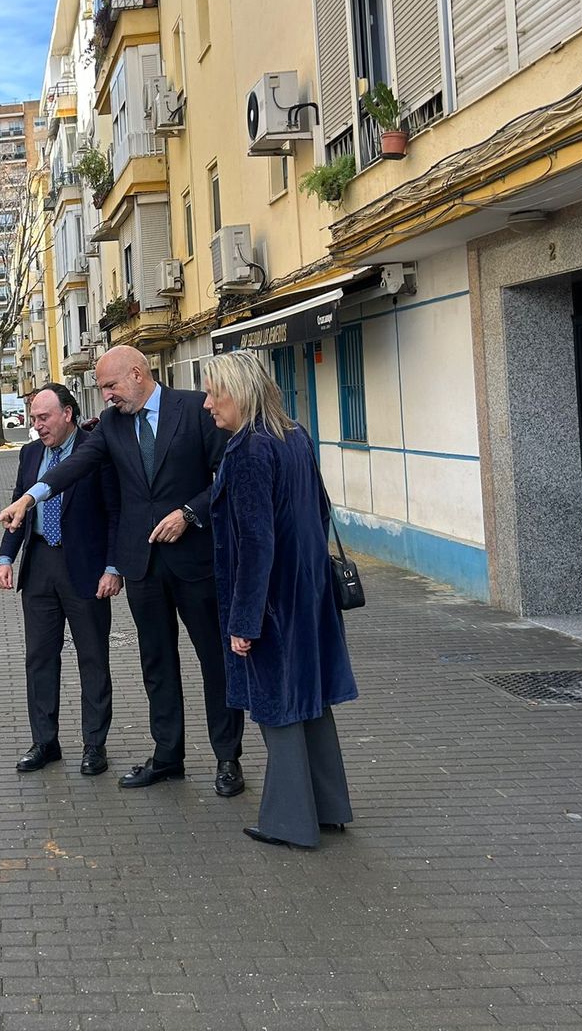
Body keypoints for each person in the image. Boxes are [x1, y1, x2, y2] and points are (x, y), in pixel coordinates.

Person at [0, 346, 245, 798]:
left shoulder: (195, 409)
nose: (105, 396)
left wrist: (189, 512)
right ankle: (168, 755)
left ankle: (228, 759)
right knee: (157, 663)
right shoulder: (110, 424)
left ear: (137, 374)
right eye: (102, 388)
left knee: (214, 662)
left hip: (194, 562)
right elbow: (76, 465)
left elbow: (226, 474)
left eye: (110, 386)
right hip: (142, 565)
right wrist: (30, 498)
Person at [201, 350, 358, 849]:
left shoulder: (248, 450)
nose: (207, 404)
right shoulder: (294, 436)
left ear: (240, 392)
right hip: (308, 592)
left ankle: (290, 821)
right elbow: (321, 510)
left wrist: (244, 621)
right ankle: (328, 807)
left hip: (271, 601)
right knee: (311, 701)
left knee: (277, 707)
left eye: (213, 392)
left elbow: (256, 542)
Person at [0, 385, 124, 776]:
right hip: (39, 569)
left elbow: (116, 512)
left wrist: (113, 567)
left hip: (84, 569)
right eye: (33, 418)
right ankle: (45, 742)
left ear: (68, 413)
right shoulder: (30, 453)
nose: (37, 426)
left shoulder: (96, 450)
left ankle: (94, 745)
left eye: (43, 418)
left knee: (93, 659)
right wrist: (5, 557)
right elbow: (20, 503)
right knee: (39, 659)